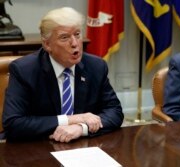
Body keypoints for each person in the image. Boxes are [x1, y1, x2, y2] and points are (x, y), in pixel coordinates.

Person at [2, 7, 124, 142]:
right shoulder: (24, 70)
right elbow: (13, 124)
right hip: (37, 147)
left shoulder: (96, 66)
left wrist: (80, 127)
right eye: (64, 37)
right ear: (47, 44)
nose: (74, 43)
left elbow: (115, 112)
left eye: (77, 34)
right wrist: (71, 119)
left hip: (81, 147)